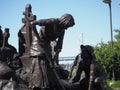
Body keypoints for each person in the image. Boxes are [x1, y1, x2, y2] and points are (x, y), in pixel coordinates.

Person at [29, 13, 75, 89]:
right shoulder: (52, 21)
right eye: (67, 26)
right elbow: (33, 24)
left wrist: (56, 53)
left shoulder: (62, 31)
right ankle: (38, 85)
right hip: (38, 44)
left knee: (50, 67)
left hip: (47, 45)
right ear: (64, 21)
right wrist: (38, 39)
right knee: (41, 63)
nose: (66, 28)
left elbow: (59, 45)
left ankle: (48, 85)